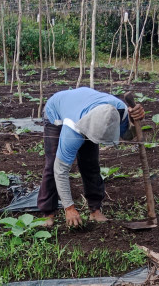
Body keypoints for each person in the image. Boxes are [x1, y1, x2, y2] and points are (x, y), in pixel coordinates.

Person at [37, 87, 145, 227]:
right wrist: (69, 208)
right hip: (56, 112)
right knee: (53, 165)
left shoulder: (120, 112)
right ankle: (48, 212)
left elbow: (128, 135)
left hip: (84, 106)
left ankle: (95, 209)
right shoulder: (72, 129)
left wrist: (135, 120)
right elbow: (60, 169)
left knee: (90, 163)